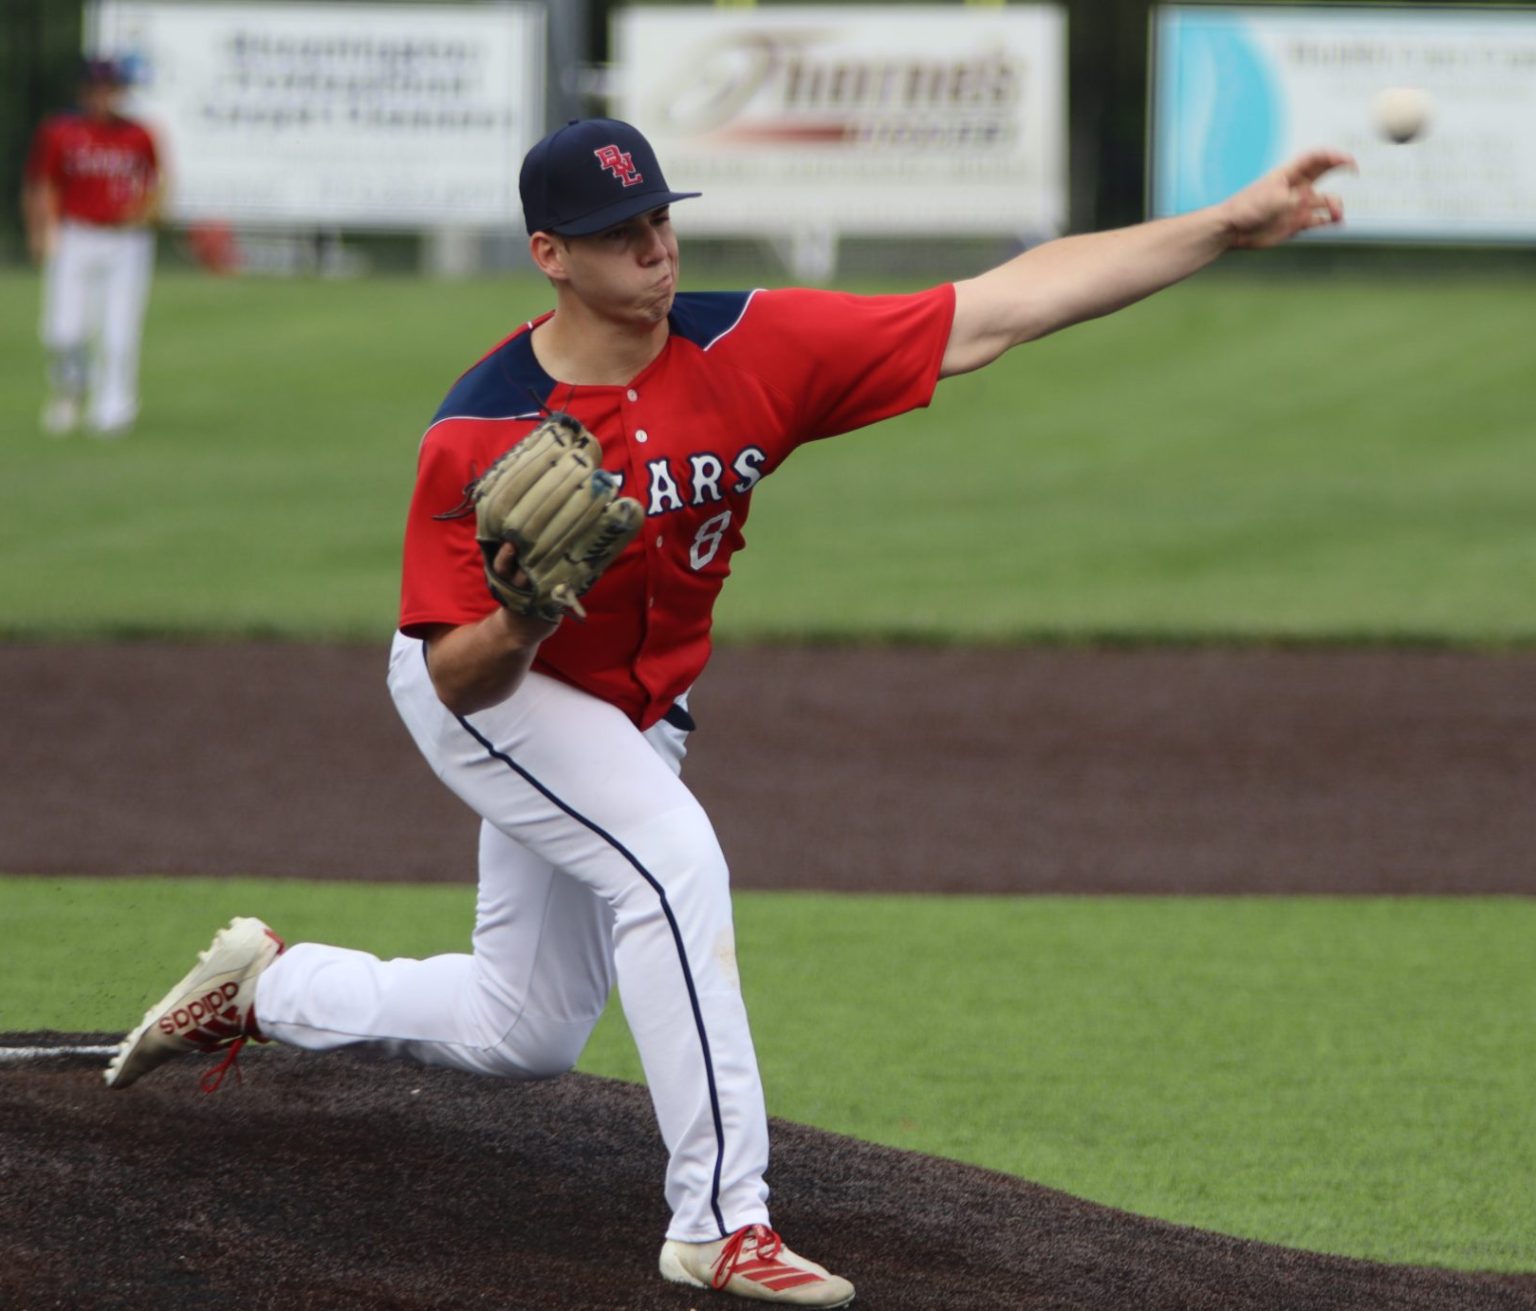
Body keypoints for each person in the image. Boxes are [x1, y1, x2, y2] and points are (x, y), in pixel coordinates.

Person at [104, 118, 1353, 1305]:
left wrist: (1224, 226)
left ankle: (269, 990)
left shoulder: (755, 345)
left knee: (522, 1029)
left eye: (660, 217)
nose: (655, 247)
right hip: (498, 686)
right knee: (673, 865)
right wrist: (525, 618)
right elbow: (455, 678)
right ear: (551, 255)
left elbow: (1001, 306)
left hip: (634, 705)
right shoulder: (478, 429)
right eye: (620, 232)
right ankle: (718, 1221)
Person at [22, 57, 161, 438]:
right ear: (82, 92)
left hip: (126, 240)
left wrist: (146, 210)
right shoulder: (61, 132)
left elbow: (156, 182)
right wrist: (40, 231)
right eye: (96, 89)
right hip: (76, 234)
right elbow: (42, 184)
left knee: (119, 331)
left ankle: (114, 409)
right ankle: (70, 389)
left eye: (110, 89)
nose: (103, 97)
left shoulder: (139, 134)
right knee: (62, 329)